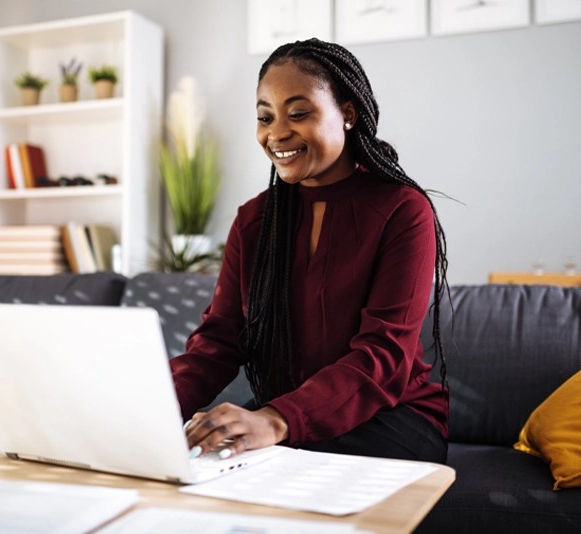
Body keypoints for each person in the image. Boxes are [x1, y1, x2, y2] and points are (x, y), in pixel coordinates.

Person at [170, 38, 449, 464]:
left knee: (259, 469)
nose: (277, 133)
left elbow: (383, 355)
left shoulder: (403, 211)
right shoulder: (253, 220)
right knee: (196, 460)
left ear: (348, 114)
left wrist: (275, 420)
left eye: (298, 113)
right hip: (284, 418)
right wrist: (152, 406)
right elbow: (219, 342)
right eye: (265, 117)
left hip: (392, 416)